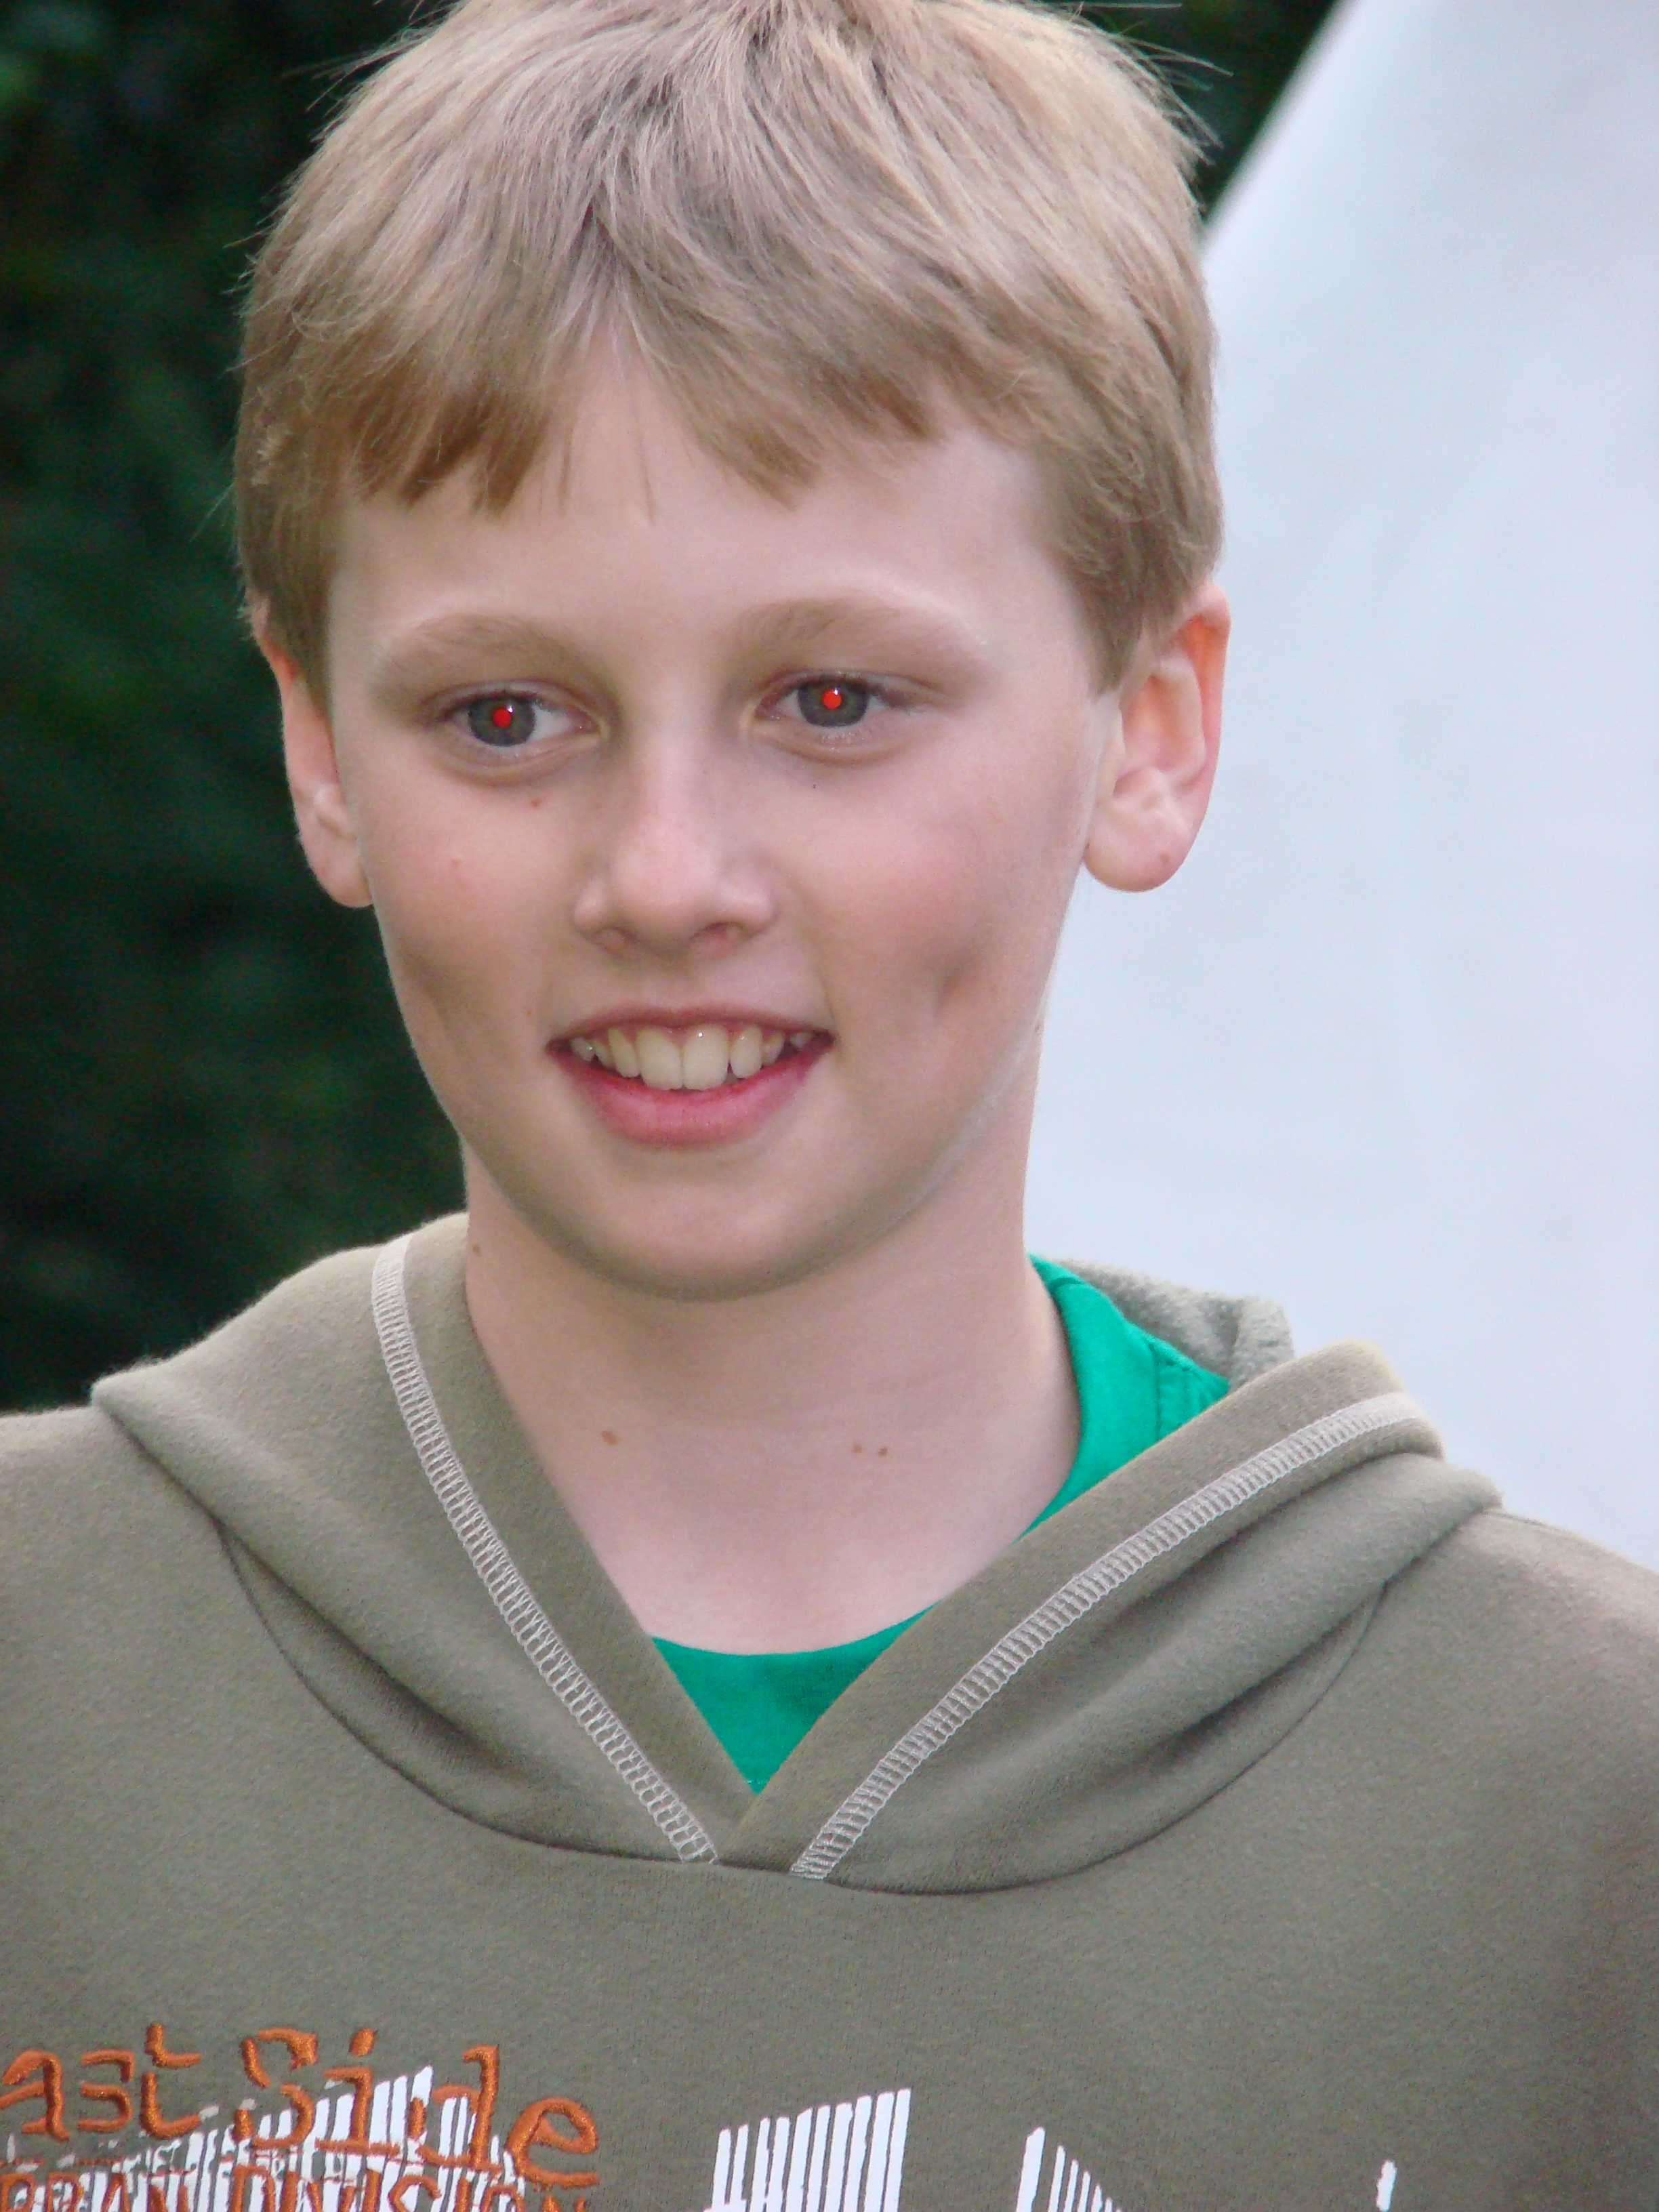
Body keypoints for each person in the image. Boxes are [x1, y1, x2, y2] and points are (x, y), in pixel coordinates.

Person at [4, 1, 1658, 2205]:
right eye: (506, 714)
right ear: (321, 752)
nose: (667, 875)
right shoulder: (43, 1686)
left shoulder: (1580, 1811)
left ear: (1154, 727)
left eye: (835, 701)